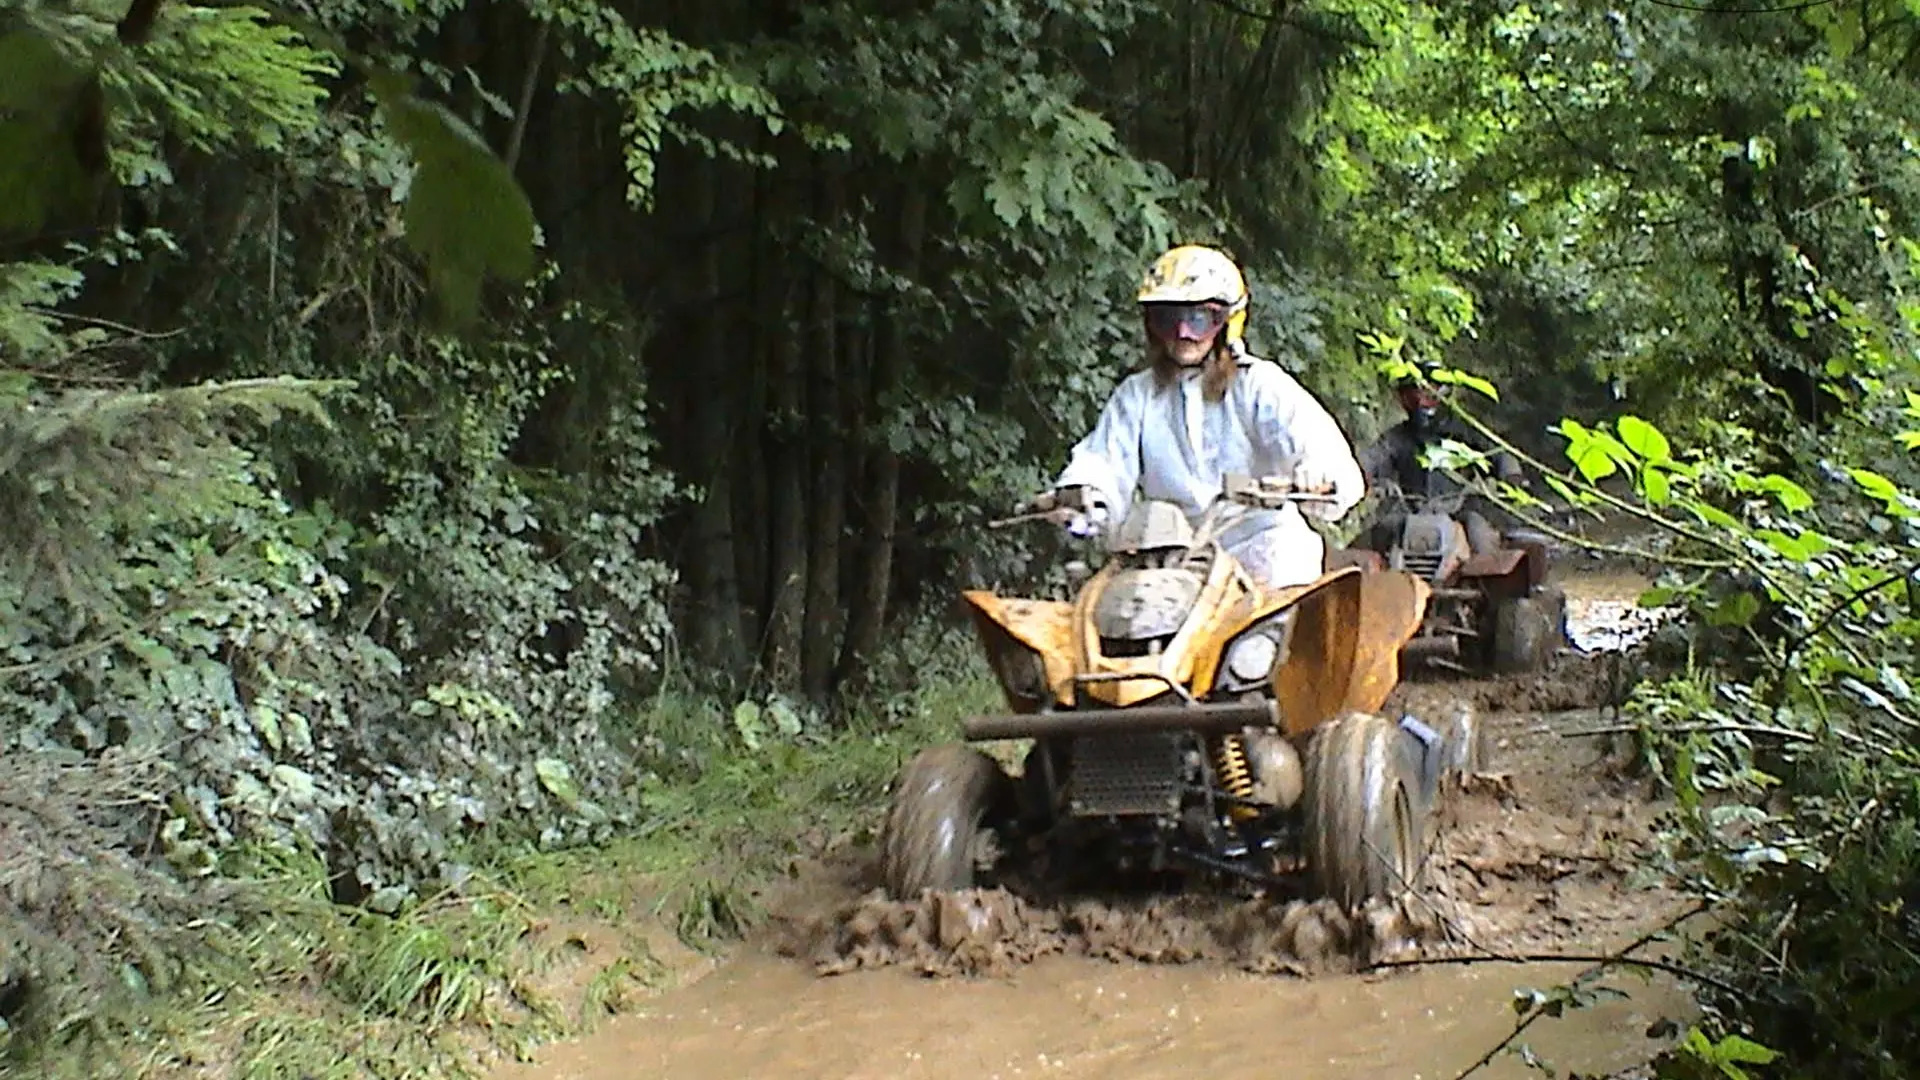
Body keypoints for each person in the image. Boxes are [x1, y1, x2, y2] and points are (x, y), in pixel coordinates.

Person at [1029, 244, 1366, 588]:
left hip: (1264, 553)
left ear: (1226, 323)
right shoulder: (1137, 395)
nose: (1182, 333)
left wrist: (1317, 475)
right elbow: (1105, 460)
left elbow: (1316, 445)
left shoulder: (1259, 384)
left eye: (1198, 320)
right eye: (1167, 320)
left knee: (1258, 641)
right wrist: (1083, 494)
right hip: (1169, 559)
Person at [1356, 360, 1525, 555]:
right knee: (1370, 542)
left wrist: (1512, 476)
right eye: (1412, 397)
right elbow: (1372, 457)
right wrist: (1353, 474)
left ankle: (1488, 584)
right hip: (1409, 512)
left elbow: (1499, 453)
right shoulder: (1398, 436)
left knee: (1482, 541)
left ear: (1443, 395)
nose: (1420, 403)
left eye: (1428, 395)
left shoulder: (1465, 431)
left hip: (1458, 514)